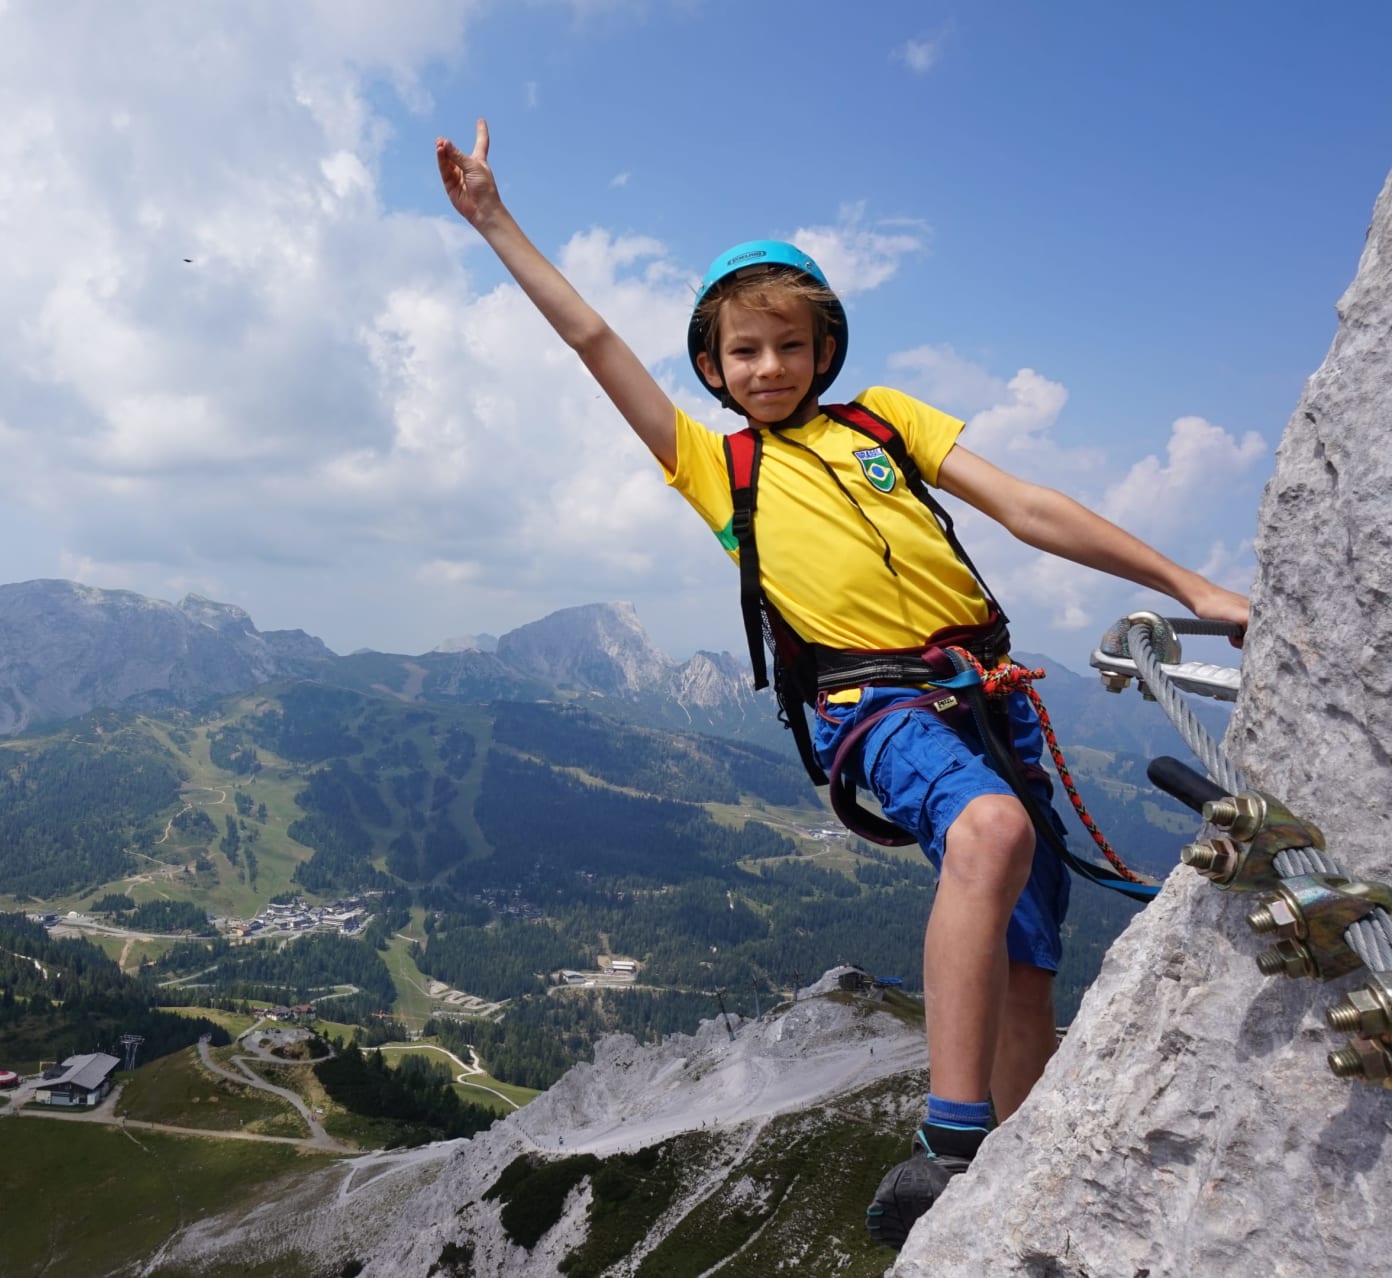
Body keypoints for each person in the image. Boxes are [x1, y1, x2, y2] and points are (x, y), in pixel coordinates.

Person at [434, 118, 1249, 1247]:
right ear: (712, 367)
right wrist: (493, 220)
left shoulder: (888, 423)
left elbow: (1026, 507)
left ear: (824, 350)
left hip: (990, 696)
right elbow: (592, 339)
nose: (767, 367)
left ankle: (1015, 1190)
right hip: (872, 706)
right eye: (743, 351)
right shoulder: (716, 466)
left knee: (1029, 966)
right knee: (993, 833)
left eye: (788, 345)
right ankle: (949, 1142)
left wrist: (1189, 585)